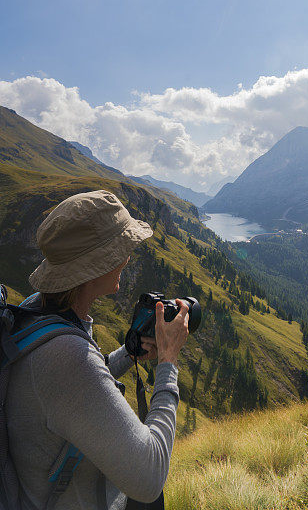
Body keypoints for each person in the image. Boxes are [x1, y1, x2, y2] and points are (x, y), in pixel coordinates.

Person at [6, 189, 189, 510]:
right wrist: (168, 363)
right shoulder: (67, 357)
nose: (128, 256)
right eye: (120, 248)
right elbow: (149, 478)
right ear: (94, 265)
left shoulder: (36, 310)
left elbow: (77, 385)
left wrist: (127, 355)